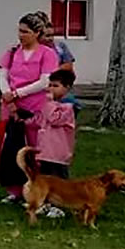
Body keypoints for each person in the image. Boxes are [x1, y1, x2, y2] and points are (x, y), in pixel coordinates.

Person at [0, 13, 60, 203]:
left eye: (26, 32)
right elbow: (3, 74)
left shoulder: (48, 54)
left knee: (33, 149)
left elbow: (44, 80)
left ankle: (37, 190)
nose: (21, 35)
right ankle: (14, 189)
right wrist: (7, 94)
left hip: (34, 107)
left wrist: (18, 93)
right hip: (11, 107)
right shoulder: (13, 51)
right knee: (11, 147)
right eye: (19, 31)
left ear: (37, 33)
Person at [25, 69, 78, 219]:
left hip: (58, 153)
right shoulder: (50, 105)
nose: (50, 89)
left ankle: (60, 206)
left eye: (55, 86)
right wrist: (25, 122)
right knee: (44, 180)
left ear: (67, 88)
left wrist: (47, 103)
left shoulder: (68, 107)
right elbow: (40, 120)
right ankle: (47, 203)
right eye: (49, 85)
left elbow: (54, 119)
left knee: (59, 181)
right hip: (44, 151)